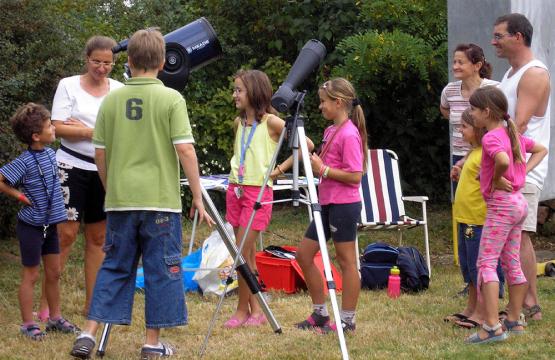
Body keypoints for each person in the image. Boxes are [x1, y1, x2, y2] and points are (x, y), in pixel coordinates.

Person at [70, 28, 213, 359]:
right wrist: (196, 194)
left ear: (129, 61)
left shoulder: (111, 100)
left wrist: (111, 189)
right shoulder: (171, 99)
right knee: (161, 270)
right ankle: (151, 344)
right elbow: (185, 150)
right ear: (163, 62)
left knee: (114, 266)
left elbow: (100, 153)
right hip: (160, 202)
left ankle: (88, 333)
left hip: (120, 201)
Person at [40, 36, 124, 319]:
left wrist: (86, 128)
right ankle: (47, 306)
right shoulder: (68, 85)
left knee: (99, 236)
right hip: (70, 166)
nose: (102, 68)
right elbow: (58, 127)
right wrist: (95, 132)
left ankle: (93, 305)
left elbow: (122, 129)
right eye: (97, 62)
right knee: (65, 234)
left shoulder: (120, 90)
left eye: (108, 63)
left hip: (104, 169)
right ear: (86, 59)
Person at [465, 86, 547, 344]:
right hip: (517, 203)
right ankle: (513, 319)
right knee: (510, 261)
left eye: (474, 110)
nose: (472, 114)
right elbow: (541, 149)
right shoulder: (512, 134)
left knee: (486, 263)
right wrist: (520, 173)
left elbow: (500, 160)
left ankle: (491, 327)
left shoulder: (491, 137)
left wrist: (499, 177)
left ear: (486, 111)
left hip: (501, 206)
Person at [223, 69, 302, 328]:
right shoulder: (238, 123)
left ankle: (241, 310)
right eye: (234, 89)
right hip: (236, 189)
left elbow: (306, 145)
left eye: (239, 90)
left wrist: (278, 170)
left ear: (254, 93)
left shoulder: (270, 122)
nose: (234, 94)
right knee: (247, 253)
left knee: (240, 251)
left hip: (257, 191)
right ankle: (256, 309)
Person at [0, 103, 80, 340]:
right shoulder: (23, 161)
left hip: (51, 226)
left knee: (54, 273)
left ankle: (55, 318)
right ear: (36, 136)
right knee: (32, 275)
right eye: (49, 126)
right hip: (31, 227)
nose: (54, 128)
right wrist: (20, 196)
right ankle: (27, 324)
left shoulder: (50, 154)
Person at [295, 77, 368, 333]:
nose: (320, 107)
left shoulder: (350, 134)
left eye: (324, 102)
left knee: (346, 262)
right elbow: (324, 168)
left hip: (343, 206)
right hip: (325, 204)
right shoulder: (330, 131)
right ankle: (320, 313)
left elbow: (355, 175)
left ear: (338, 103)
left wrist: (323, 170)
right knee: (303, 255)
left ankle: (347, 319)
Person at [493, 13, 551, 322]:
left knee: (521, 234)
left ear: (518, 37)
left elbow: (520, 124)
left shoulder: (534, 73)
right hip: (509, 164)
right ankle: (523, 301)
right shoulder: (510, 73)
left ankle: (530, 303)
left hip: (524, 167)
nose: (494, 41)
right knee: (511, 234)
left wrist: (499, 162)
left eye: (499, 35)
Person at [444, 109, 488, 329]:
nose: (460, 131)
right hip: (464, 219)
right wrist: (460, 170)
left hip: (476, 221)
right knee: (468, 267)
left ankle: (482, 311)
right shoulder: (474, 152)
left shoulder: (486, 154)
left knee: (477, 267)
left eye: (464, 127)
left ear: (478, 129)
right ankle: (471, 308)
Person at [440, 43, 498, 196]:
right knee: (460, 200)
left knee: (482, 202)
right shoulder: (449, 90)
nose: (455, 66)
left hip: (485, 154)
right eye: (454, 62)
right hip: (458, 154)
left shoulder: (493, 89)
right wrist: (461, 123)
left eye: (461, 62)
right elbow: (444, 108)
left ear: (477, 65)